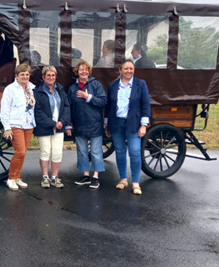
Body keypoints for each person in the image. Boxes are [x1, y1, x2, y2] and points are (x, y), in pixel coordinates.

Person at [105, 59, 151, 195]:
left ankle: (136, 183)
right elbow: (109, 106)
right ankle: (123, 179)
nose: (129, 71)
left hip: (134, 124)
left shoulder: (141, 84)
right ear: (120, 70)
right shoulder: (113, 85)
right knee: (120, 151)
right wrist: (107, 123)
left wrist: (143, 125)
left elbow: (146, 105)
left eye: (131, 68)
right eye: (126, 68)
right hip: (117, 123)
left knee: (135, 151)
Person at [66, 60, 107, 189]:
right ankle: (85, 175)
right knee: (82, 152)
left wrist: (87, 97)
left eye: (86, 69)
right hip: (79, 123)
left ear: (89, 72)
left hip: (94, 123)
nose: (84, 72)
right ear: (77, 72)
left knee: (95, 151)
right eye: (81, 70)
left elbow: (103, 101)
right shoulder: (72, 88)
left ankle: (95, 176)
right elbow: (68, 107)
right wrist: (68, 124)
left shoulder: (96, 84)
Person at [33, 66, 70, 188]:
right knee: (45, 152)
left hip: (59, 127)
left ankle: (54, 177)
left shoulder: (60, 90)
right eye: (48, 75)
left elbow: (66, 107)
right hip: (44, 127)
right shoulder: (38, 92)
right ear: (43, 77)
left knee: (57, 153)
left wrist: (62, 122)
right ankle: (45, 177)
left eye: (53, 75)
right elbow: (38, 112)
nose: (51, 77)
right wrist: (52, 124)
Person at [0, 63, 36, 191]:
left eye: (27, 74)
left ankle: (17, 177)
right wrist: (7, 127)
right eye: (22, 74)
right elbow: (4, 109)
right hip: (16, 124)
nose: (25, 77)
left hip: (28, 124)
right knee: (20, 152)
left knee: (23, 153)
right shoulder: (10, 89)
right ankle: (11, 178)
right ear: (16, 76)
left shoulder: (31, 88)